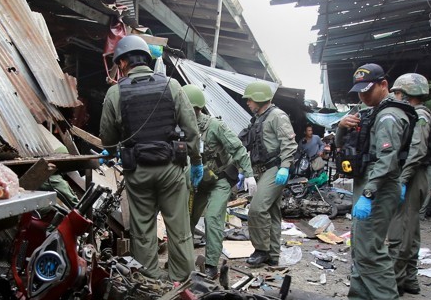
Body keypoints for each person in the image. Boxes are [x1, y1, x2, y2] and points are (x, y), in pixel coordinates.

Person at [99, 35, 202, 282]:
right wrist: (196, 162)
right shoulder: (172, 86)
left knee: (143, 229)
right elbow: (192, 130)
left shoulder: (115, 93)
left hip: (138, 171)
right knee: (178, 227)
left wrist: (110, 153)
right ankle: (182, 278)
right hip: (171, 169)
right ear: (146, 59)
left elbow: (108, 138)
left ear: (123, 62)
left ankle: (149, 281)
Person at [337, 63, 416, 300]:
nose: (363, 96)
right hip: (367, 183)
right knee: (360, 247)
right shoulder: (371, 113)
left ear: (384, 84)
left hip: (378, 187)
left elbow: (387, 160)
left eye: (368, 91)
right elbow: (345, 148)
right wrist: (341, 126)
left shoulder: (390, 116)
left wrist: (369, 194)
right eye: (359, 92)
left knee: (370, 249)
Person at [184, 84, 255, 278]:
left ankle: (211, 265)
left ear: (196, 109)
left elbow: (238, 149)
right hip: (198, 181)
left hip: (220, 180)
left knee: (213, 218)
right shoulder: (181, 127)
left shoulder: (216, 126)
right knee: (186, 219)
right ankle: (183, 261)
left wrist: (249, 174)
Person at [386, 73, 431, 296]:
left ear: (406, 94)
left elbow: (417, 151)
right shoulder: (418, 114)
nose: (395, 97)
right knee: (411, 230)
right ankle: (409, 279)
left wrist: (403, 180)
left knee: (401, 230)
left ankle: (395, 283)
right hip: (415, 175)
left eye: (397, 93)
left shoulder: (419, 115)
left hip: (412, 176)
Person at [240, 81, 297, 268]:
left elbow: (289, 143)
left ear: (259, 98)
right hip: (261, 170)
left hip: (275, 168)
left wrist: (285, 166)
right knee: (272, 212)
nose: (248, 102)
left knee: (257, 209)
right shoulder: (258, 118)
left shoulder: (277, 116)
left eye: (250, 99)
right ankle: (273, 255)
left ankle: (261, 250)